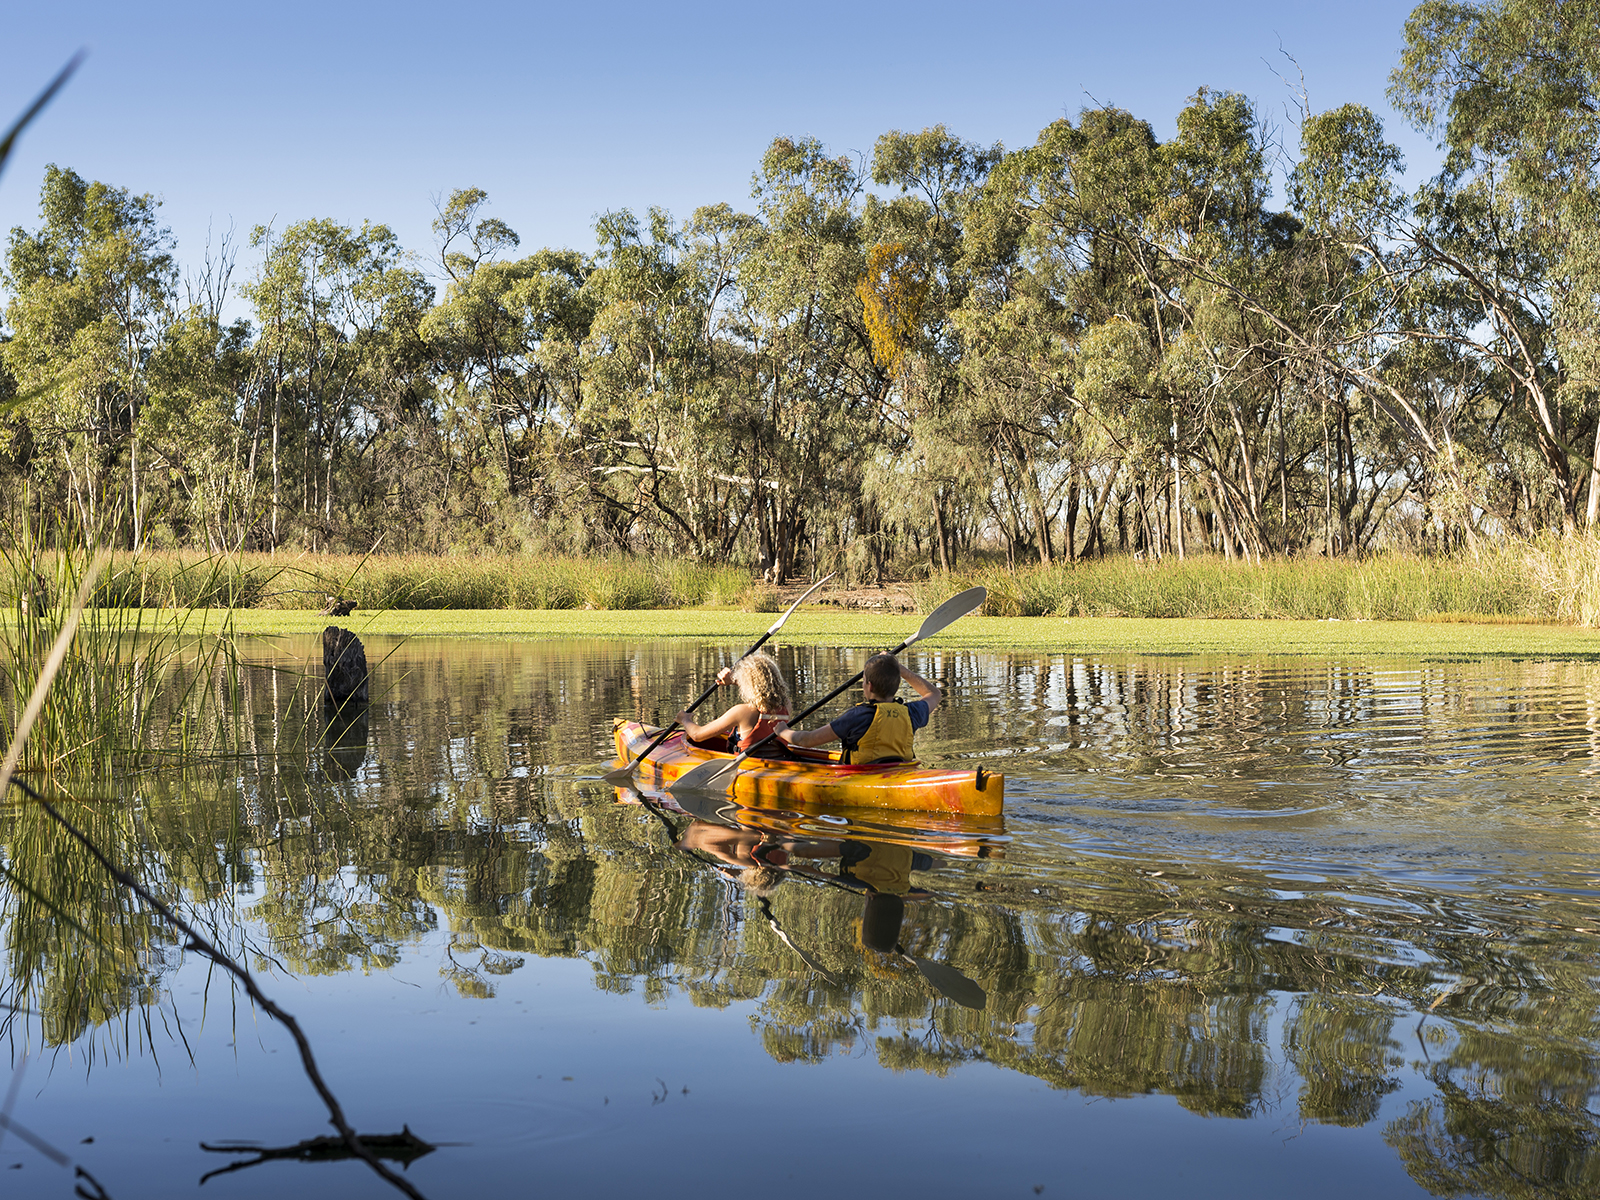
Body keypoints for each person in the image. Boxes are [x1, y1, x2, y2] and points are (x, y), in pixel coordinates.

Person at [776, 653, 940, 764]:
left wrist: (782, 730)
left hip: (863, 777)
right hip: (901, 774)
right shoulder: (911, 713)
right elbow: (933, 693)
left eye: (863, 682)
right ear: (897, 685)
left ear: (869, 685)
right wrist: (901, 670)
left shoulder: (857, 716)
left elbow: (807, 740)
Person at [676, 651, 791, 754]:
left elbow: (697, 735)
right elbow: (763, 690)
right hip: (778, 760)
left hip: (747, 766)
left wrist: (685, 719)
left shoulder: (743, 711)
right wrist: (733, 680)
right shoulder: (786, 706)